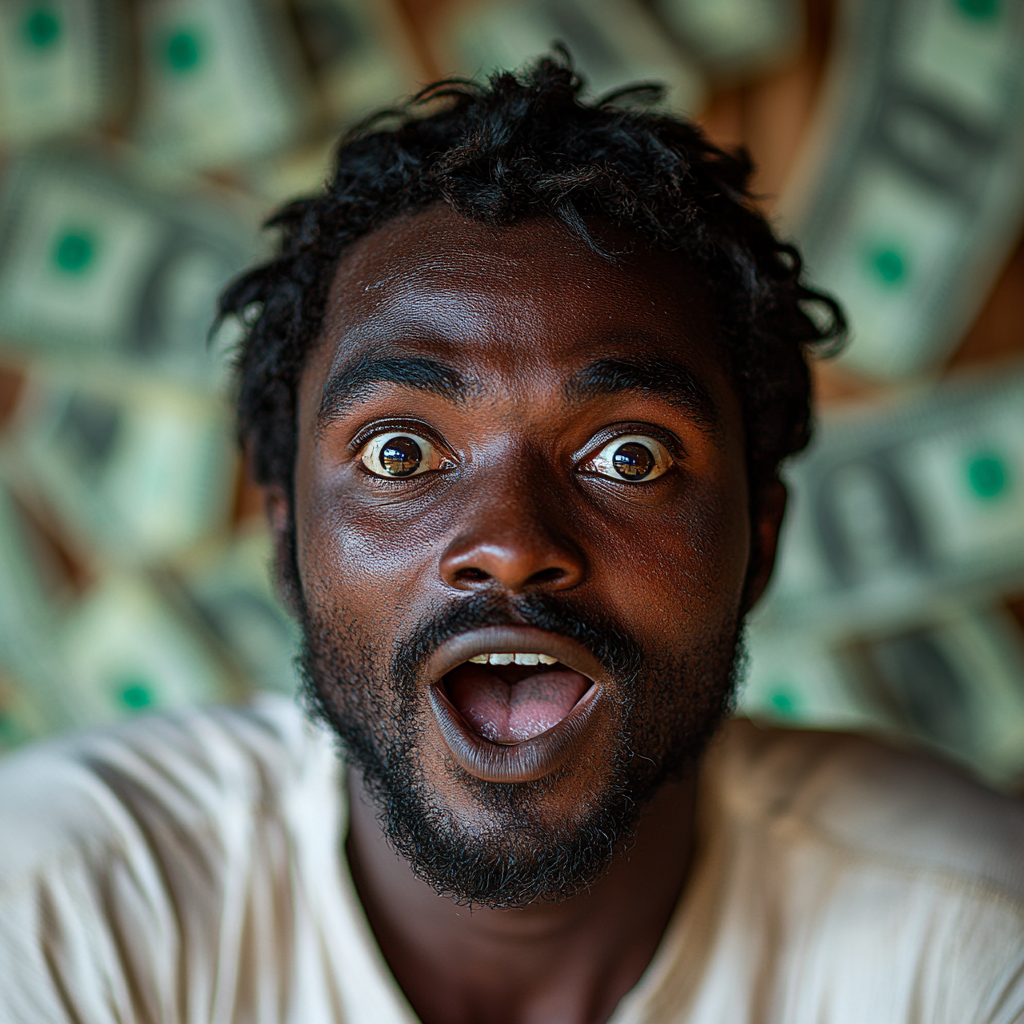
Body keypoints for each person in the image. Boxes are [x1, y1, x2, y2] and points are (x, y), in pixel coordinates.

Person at [1, 57, 1022, 1024]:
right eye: (400, 453)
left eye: (629, 458)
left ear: (755, 544)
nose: (509, 544)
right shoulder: (57, 909)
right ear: (287, 541)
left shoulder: (971, 938)